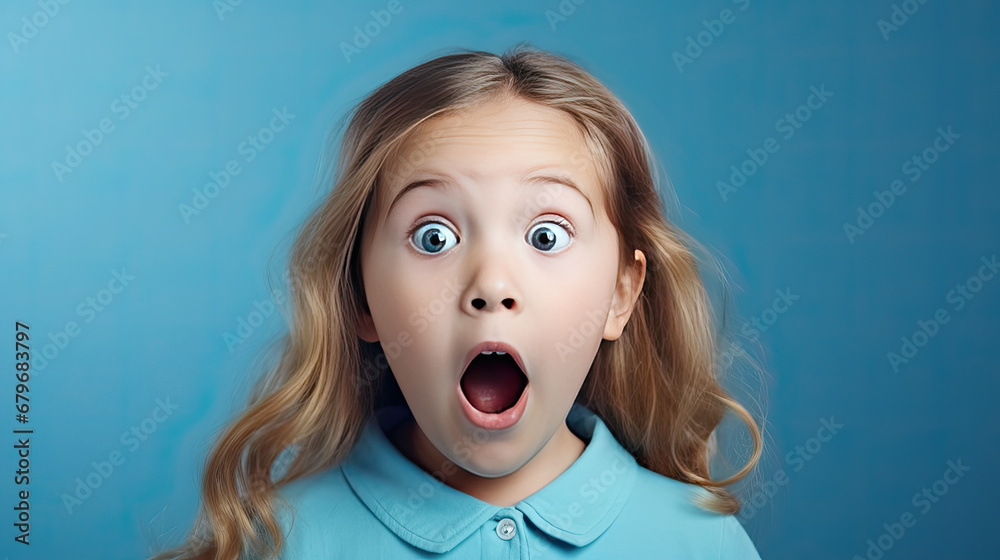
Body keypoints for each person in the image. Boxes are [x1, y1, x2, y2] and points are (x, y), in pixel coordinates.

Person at [148, 43, 764, 560]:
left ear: (619, 296)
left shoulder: (702, 544)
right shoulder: (279, 543)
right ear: (359, 296)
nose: (491, 284)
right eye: (433, 237)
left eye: (546, 236)